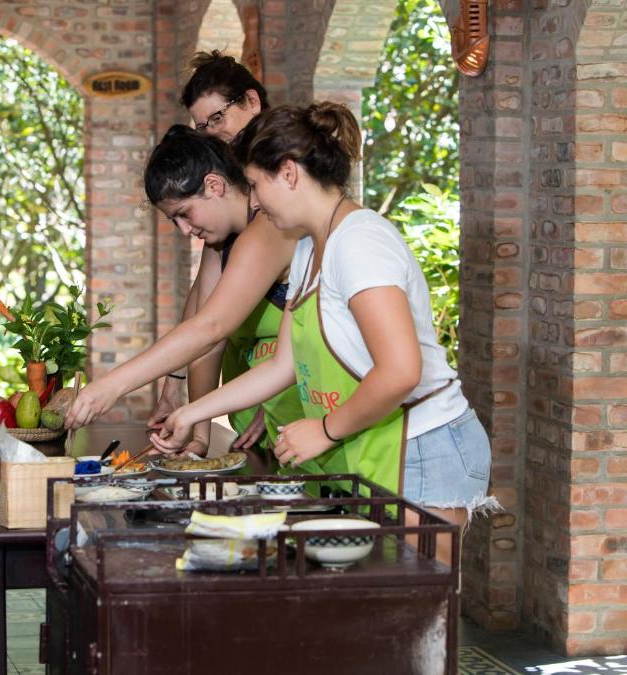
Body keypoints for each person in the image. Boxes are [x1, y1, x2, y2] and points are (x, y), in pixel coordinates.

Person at [155, 103, 497, 560]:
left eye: (256, 185)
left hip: (424, 446)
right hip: (382, 442)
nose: (253, 201)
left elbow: (400, 371)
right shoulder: (308, 248)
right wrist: (192, 413)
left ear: (289, 173)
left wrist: (326, 430)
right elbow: (282, 365)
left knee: (413, 613)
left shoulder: (360, 242)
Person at [65, 54, 302, 464]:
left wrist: (112, 386)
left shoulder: (272, 220)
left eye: (216, 120)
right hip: (268, 415)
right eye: (201, 126)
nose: (212, 134)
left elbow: (214, 327)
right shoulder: (225, 226)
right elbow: (203, 320)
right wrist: (197, 428)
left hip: (314, 412)